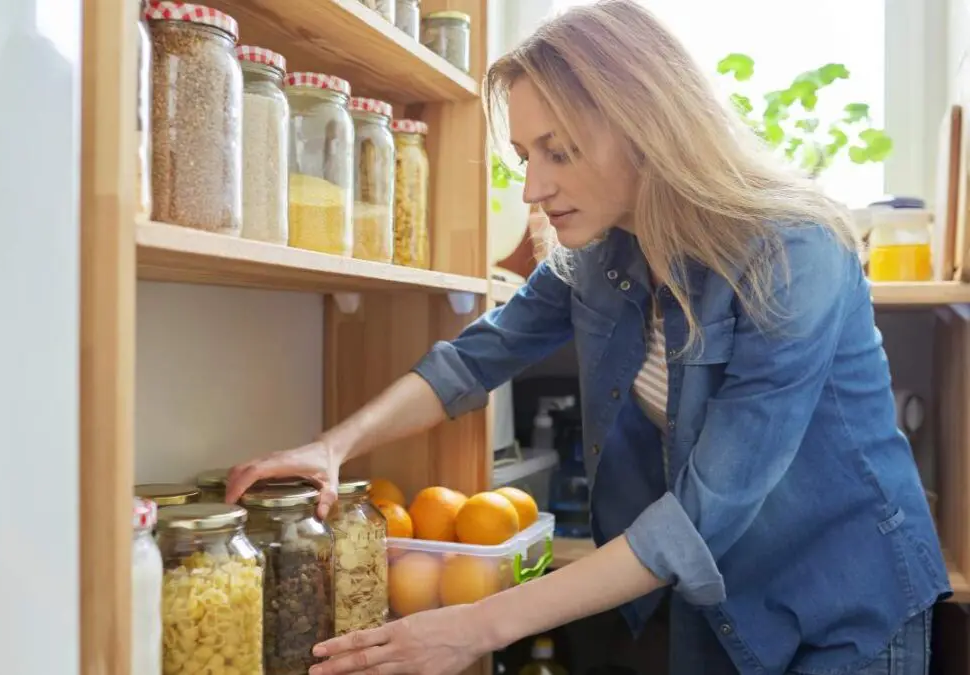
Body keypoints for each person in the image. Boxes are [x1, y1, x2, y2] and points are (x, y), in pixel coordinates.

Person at [226, 1, 950, 673]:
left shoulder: (793, 254)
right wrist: (333, 445)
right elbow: (471, 361)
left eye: (559, 151)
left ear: (647, 127)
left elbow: (702, 514)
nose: (533, 187)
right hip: (717, 598)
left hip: (844, 599)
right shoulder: (600, 252)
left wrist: (477, 625)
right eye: (524, 155)